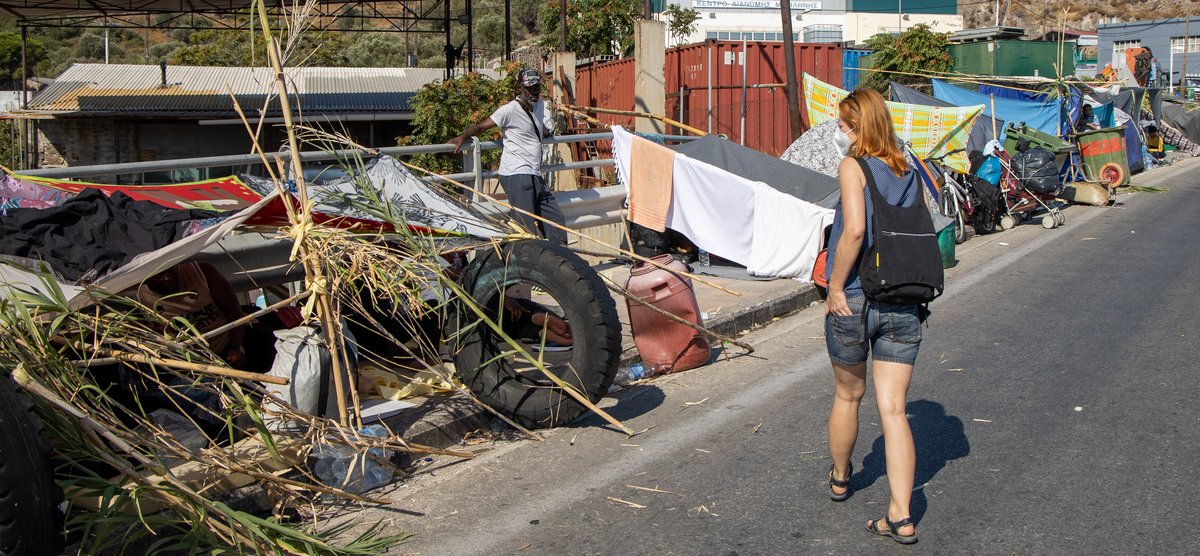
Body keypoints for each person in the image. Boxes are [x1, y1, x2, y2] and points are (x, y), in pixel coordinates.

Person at [822, 88, 923, 545]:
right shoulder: (908, 166)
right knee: (895, 409)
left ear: (859, 126)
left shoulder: (853, 166)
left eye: (844, 124)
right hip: (903, 299)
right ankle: (901, 516)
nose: (841, 132)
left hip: (858, 297)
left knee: (848, 396)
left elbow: (856, 231)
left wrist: (836, 286)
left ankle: (841, 475)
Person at [448, 68, 567, 245]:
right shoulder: (509, 110)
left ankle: (559, 258)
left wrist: (546, 131)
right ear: (521, 87)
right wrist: (462, 137)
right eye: (529, 88)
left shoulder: (540, 104)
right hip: (516, 174)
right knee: (524, 230)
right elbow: (481, 127)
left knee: (556, 223)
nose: (533, 92)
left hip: (534, 173)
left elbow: (536, 125)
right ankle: (518, 264)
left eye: (536, 87)